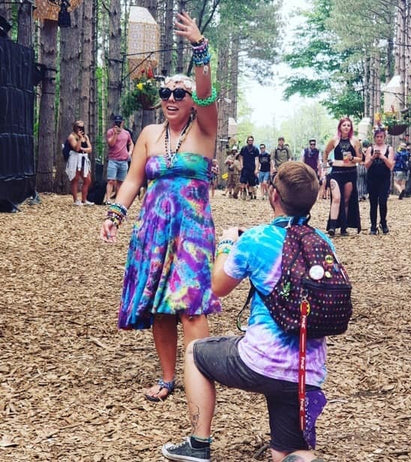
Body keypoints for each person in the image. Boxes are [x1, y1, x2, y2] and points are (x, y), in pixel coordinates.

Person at [162, 162, 329, 462]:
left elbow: (217, 286)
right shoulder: (324, 243)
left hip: (259, 361)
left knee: (195, 353)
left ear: (273, 195)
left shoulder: (255, 239)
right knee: (285, 454)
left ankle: (198, 444)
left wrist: (226, 244)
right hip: (306, 371)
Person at [100, 12, 221, 402]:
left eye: (178, 94)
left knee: (188, 305)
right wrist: (114, 214)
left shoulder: (205, 130)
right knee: (160, 307)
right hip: (153, 228)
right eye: (165, 94)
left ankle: (198, 378)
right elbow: (133, 179)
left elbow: (206, 94)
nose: (170, 99)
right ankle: (168, 378)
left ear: (190, 102)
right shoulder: (149, 134)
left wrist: (200, 49)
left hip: (192, 230)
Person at [323, 117, 362, 236]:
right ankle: (333, 226)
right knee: (336, 198)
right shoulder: (334, 140)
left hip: (350, 172)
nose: (346, 127)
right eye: (344, 125)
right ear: (340, 126)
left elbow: (360, 158)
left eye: (348, 125)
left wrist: (352, 158)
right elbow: (326, 152)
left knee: (346, 200)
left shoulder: (355, 141)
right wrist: (326, 164)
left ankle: (344, 226)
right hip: (336, 173)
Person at [365, 127, 394, 234]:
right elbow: (366, 165)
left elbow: (390, 165)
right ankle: (373, 225)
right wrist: (373, 157)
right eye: (377, 137)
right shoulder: (370, 149)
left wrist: (383, 157)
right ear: (374, 138)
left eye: (381, 137)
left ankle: (383, 222)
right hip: (372, 178)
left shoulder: (389, 149)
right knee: (373, 202)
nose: (379, 139)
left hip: (384, 179)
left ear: (384, 137)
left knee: (383, 201)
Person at [103, 115, 134, 205]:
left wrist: (130, 152)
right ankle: (108, 199)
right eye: (117, 122)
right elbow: (111, 144)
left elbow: (131, 143)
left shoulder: (126, 133)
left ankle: (118, 199)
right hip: (113, 159)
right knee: (111, 180)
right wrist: (115, 134)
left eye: (120, 122)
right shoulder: (110, 132)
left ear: (122, 122)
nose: (118, 123)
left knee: (121, 181)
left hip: (123, 160)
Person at [65, 120, 94, 206]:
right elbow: (76, 149)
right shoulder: (72, 137)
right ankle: (75, 200)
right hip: (75, 158)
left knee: (88, 180)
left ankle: (84, 200)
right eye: (79, 127)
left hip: (84, 158)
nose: (80, 129)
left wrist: (83, 149)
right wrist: (80, 139)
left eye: (82, 127)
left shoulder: (86, 137)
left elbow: (90, 149)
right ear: (75, 127)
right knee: (75, 179)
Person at [239, 135, 260, 200]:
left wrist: (256, 168)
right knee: (243, 181)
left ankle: (250, 195)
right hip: (245, 167)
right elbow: (241, 157)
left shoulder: (255, 149)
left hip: (252, 167)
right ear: (247, 141)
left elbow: (257, 159)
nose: (250, 141)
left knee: (251, 182)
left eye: (251, 140)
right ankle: (244, 191)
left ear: (253, 141)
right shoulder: (244, 148)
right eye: (249, 140)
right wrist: (241, 165)